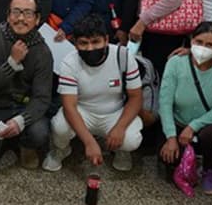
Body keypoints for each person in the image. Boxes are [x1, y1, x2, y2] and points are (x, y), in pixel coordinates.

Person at [44, 14, 143, 172]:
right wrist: (89, 142)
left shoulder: (123, 56)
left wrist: (120, 128)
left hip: (115, 112)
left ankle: (121, 151)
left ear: (106, 39)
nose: (90, 48)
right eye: (83, 43)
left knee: (131, 139)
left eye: (95, 42)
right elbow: (69, 106)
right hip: (82, 111)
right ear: (75, 44)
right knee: (60, 127)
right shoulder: (69, 62)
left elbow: (136, 98)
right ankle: (61, 149)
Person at [0, 0, 53, 172]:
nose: (21, 18)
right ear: (8, 16)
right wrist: (12, 62)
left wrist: (20, 121)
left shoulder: (43, 51)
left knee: (40, 133)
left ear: (37, 19)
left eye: (28, 13)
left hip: (24, 107)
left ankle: (25, 144)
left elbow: (42, 98)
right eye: (16, 12)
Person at [158, 22, 212, 196]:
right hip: (177, 122)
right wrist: (171, 137)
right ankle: (184, 154)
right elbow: (165, 103)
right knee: (170, 162)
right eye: (198, 42)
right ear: (191, 41)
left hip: (204, 127)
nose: (202, 48)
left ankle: (209, 171)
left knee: (211, 133)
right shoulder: (176, 63)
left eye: (209, 45)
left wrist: (193, 126)